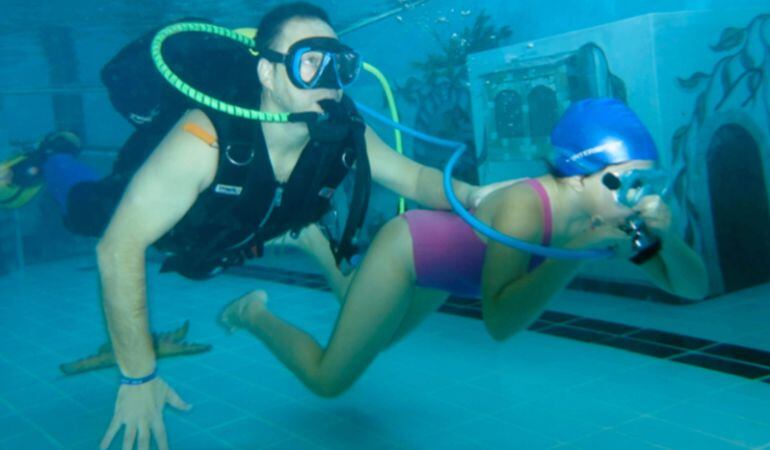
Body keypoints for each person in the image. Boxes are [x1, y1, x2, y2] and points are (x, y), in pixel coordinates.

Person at [94, 3, 488, 450]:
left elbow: (413, 176)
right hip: (187, 232)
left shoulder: (343, 128)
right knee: (86, 209)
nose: (329, 83)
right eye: (309, 64)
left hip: (285, 225)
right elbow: (117, 249)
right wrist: (138, 375)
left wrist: (473, 196)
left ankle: (253, 310)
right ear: (268, 74)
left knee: (372, 323)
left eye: (339, 65)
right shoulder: (205, 138)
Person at [220, 98, 709, 398]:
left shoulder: (609, 214)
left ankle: (313, 243)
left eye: (646, 180)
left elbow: (690, 289)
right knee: (332, 379)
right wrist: (579, 248)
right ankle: (252, 313)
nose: (638, 194)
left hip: (455, 270)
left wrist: (667, 241)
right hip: (411, 249)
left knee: (376, 333)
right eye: (626, 181)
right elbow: (498, 323)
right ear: (580, 178)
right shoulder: (527, 207)